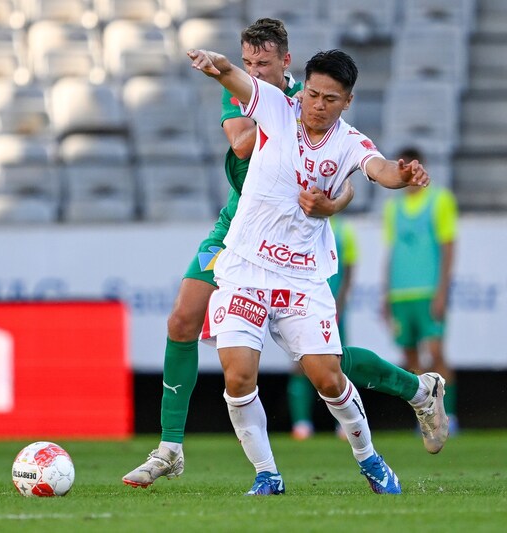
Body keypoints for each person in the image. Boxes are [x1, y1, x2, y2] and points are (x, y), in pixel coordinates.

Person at [122, 18, 448, 490]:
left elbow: (364, 173)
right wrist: (223, 71)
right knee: (185, 323)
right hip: (239, 234)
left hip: (304, 253)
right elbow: (239, 135)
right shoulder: (268, 101)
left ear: (286, 63)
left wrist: (344, 196)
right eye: (248, 63)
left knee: (326, 368)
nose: (255, 70)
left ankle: (415, 392)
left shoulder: (320, 111)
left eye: (264, 64)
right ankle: (178, 449)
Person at [383, 146, 459, 433]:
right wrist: (385, 293)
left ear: (422, 168)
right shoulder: (394, 207)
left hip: (428, 291)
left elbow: (448, 248)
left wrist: (442, 291)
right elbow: (392, 252)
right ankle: (428, 419)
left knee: (437, 353)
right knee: (412, 360)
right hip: (401, 293)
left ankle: (450, 417)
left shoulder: (440, 200)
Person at [289, 215, 358, 440]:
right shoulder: (298, 224)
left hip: (332, 308)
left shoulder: (343, 229)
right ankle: (301, 423)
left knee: (337, 364)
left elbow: (348, 272)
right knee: (301, 363)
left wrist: (339, 304)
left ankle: (345, 424)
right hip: (303, 307)